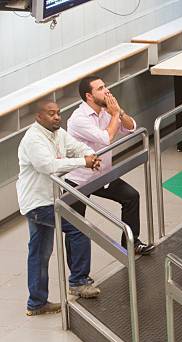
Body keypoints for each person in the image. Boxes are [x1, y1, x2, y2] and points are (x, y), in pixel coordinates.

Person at [17, 100, 102, 316]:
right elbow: (48, 166)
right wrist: (83, 162)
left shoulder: (58, 132)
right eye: (51, 114)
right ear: (39, 117)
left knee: (39, 252)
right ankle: (79, 281)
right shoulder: (33, 140)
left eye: (58, 113)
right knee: (79, 228)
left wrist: (90, 155)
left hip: (48, 199)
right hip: (38, 203)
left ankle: (36, 303)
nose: (57, 117)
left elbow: (76, 147)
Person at [65, 76, 154, 255]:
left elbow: (131, 127)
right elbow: (106, 138)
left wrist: (119, 112)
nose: (107, 90)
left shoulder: (106, 112)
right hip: (78, 180)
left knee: (131, 196)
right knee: (75, 225)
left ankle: (131, 244)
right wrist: (114, 115)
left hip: (102, 175)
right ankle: (77, 277)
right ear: (89, 96)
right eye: (100, 88)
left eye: (105, 86)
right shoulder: (78, 118)